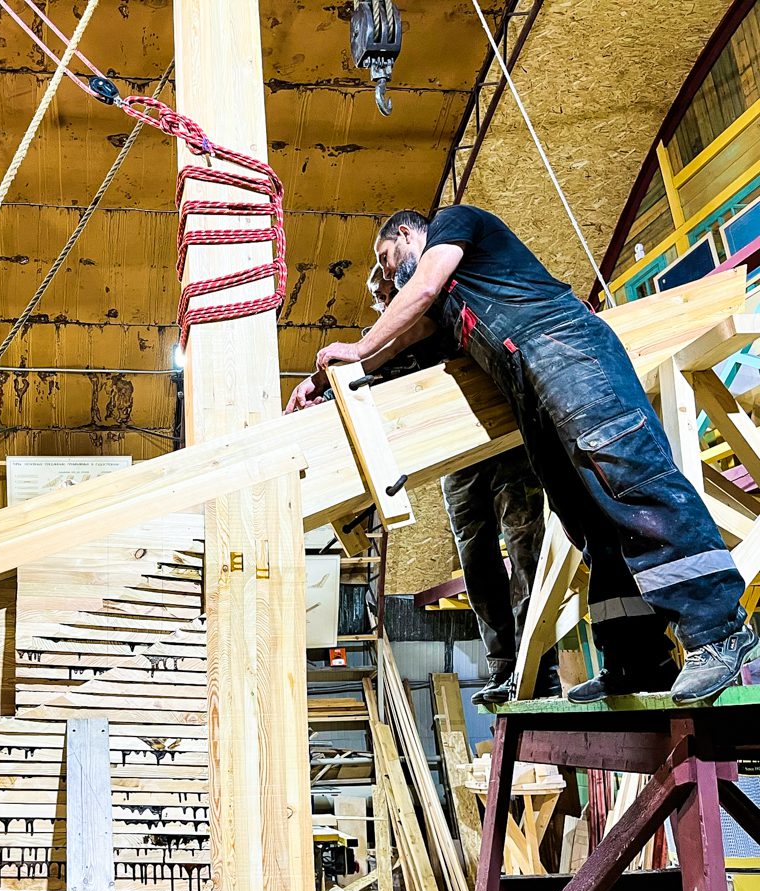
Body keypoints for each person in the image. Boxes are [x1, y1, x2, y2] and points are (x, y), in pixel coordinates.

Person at [289, 205, 754, 705]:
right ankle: (637, 661)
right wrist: (323, 384)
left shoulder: (452, 224)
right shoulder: (444, 304)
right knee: (590, 520)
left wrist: (357, 348)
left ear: (406, 232)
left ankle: (718, 630)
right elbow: (405, 337)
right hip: (525, 385)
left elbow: (419, 291)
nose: (386, 273)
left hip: (566, 348)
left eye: (385, 257)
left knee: (631, 479)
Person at [363, 266, 554, 705]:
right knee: (475, 557)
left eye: (387, 291)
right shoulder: (392, 342)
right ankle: (503, 664)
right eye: (379, 298)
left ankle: (537, 666)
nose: (383, 302)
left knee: (524, 546)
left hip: (507, 440)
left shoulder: (443, 307)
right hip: (459, 457)